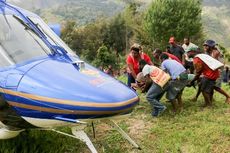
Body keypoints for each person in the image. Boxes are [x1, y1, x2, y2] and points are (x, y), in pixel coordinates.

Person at [189, 40, 222, 107]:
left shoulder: (214, 53)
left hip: (211, 74)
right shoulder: (204, 54)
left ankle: (209, 104)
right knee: (205, 87)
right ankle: (208, 102)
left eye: (207, 45)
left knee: (206, 89)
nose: (205, 47)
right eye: (205, 46)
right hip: (210, 73)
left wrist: (194, 79)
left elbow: (199, 70)